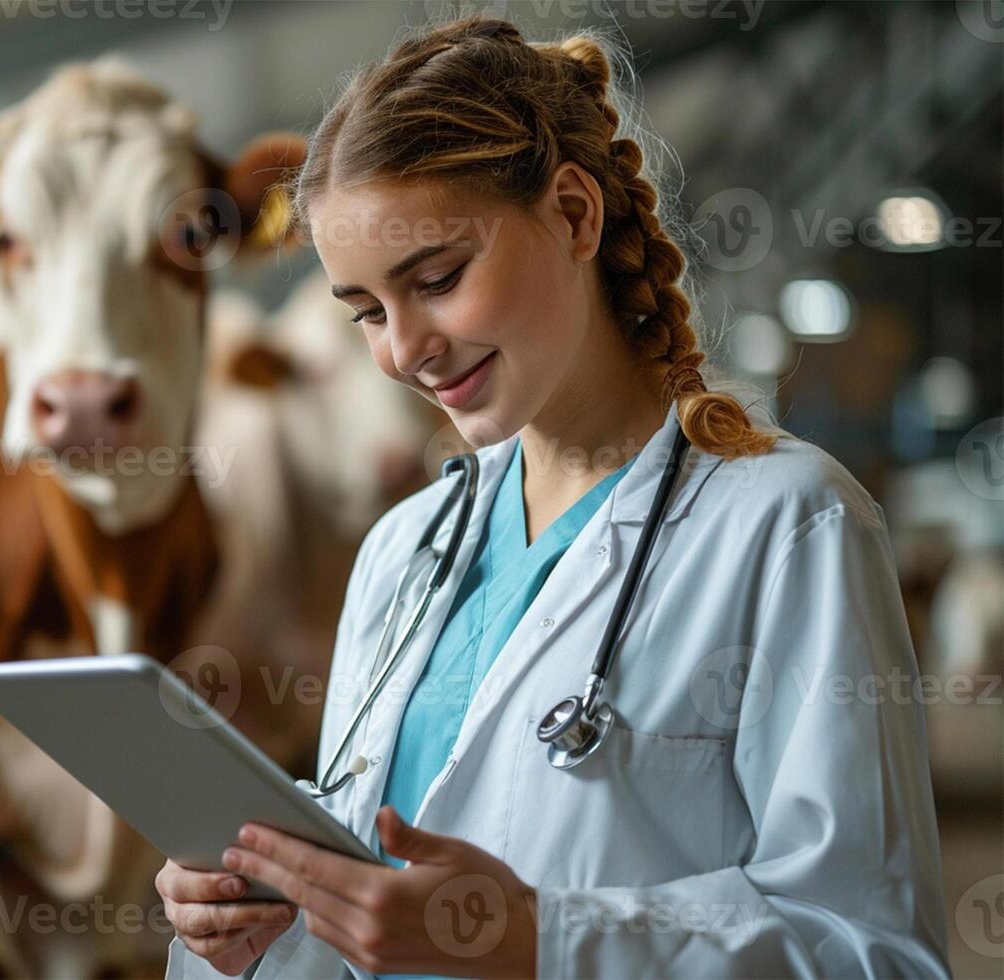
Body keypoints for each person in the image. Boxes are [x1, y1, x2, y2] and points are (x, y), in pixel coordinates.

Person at [158, 15, 950, 978]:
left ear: (575, 215)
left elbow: (875, 951)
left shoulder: (788, 526)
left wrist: (534, 937)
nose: (404, 351)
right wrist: (254, 908)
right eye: (367, 311)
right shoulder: (403, 551)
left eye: (438, 279)